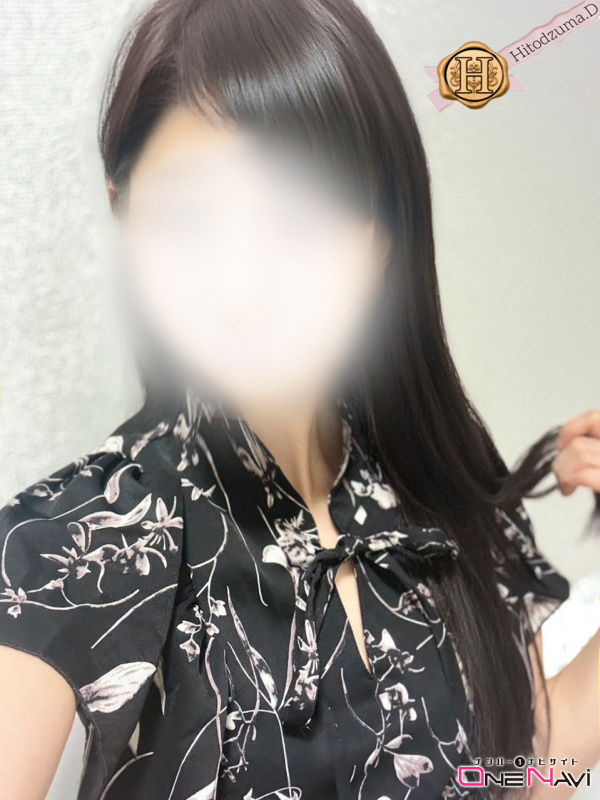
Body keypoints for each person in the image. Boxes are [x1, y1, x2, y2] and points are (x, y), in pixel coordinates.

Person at [0, 1, 599, 799]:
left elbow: (516, 771)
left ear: (384, 234)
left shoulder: (439, 492)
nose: (245, 284)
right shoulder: (78, 541)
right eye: (190, 217)